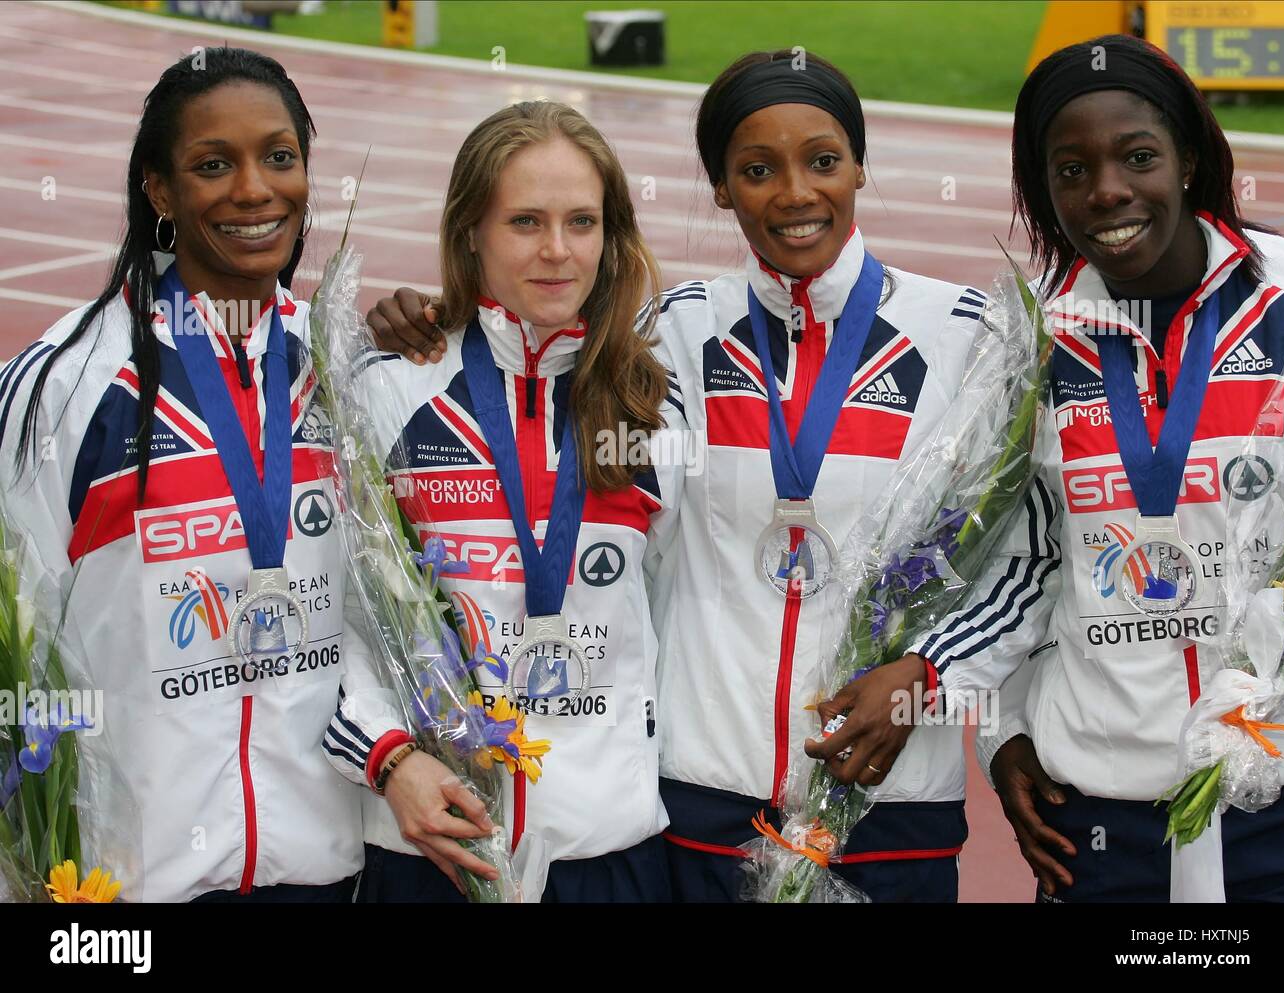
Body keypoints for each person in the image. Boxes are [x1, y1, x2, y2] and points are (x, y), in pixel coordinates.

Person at [368, 51, 987, 903]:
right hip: (698, 801)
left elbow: (1019, 551)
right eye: (757, 170)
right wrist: (436, 322)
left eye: (824, 160)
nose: (796, 192)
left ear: (861, 166)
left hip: (888, 795)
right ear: (722, 187)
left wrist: (933, 665)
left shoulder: (965, 334)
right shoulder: (677, 339)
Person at [825, 34, 1284, 902]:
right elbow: (1019, 565)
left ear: (1190, 159)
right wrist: (975, 706)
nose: (1107, 190)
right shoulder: (1030, 344)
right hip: (1100, 815)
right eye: (1070, 170)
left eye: (1138, 157)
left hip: (1281, 795)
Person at [0, 47, 367, 902]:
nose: (253, 190)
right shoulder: (66, 384)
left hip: (326, 869)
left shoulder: (346, 367)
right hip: (121, 886)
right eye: (213, 164)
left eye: (280, 156)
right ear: (159, 191)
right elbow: (15, 648)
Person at [327, 101, 682, 902]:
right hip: (431, 846)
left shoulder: (656, 405)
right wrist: (388, 757)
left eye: (581, 221)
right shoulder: (388, 390)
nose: (558, 251)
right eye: (525, 221)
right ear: (470, 233)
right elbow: (340, 616)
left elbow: (678, 606)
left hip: (609, 853)